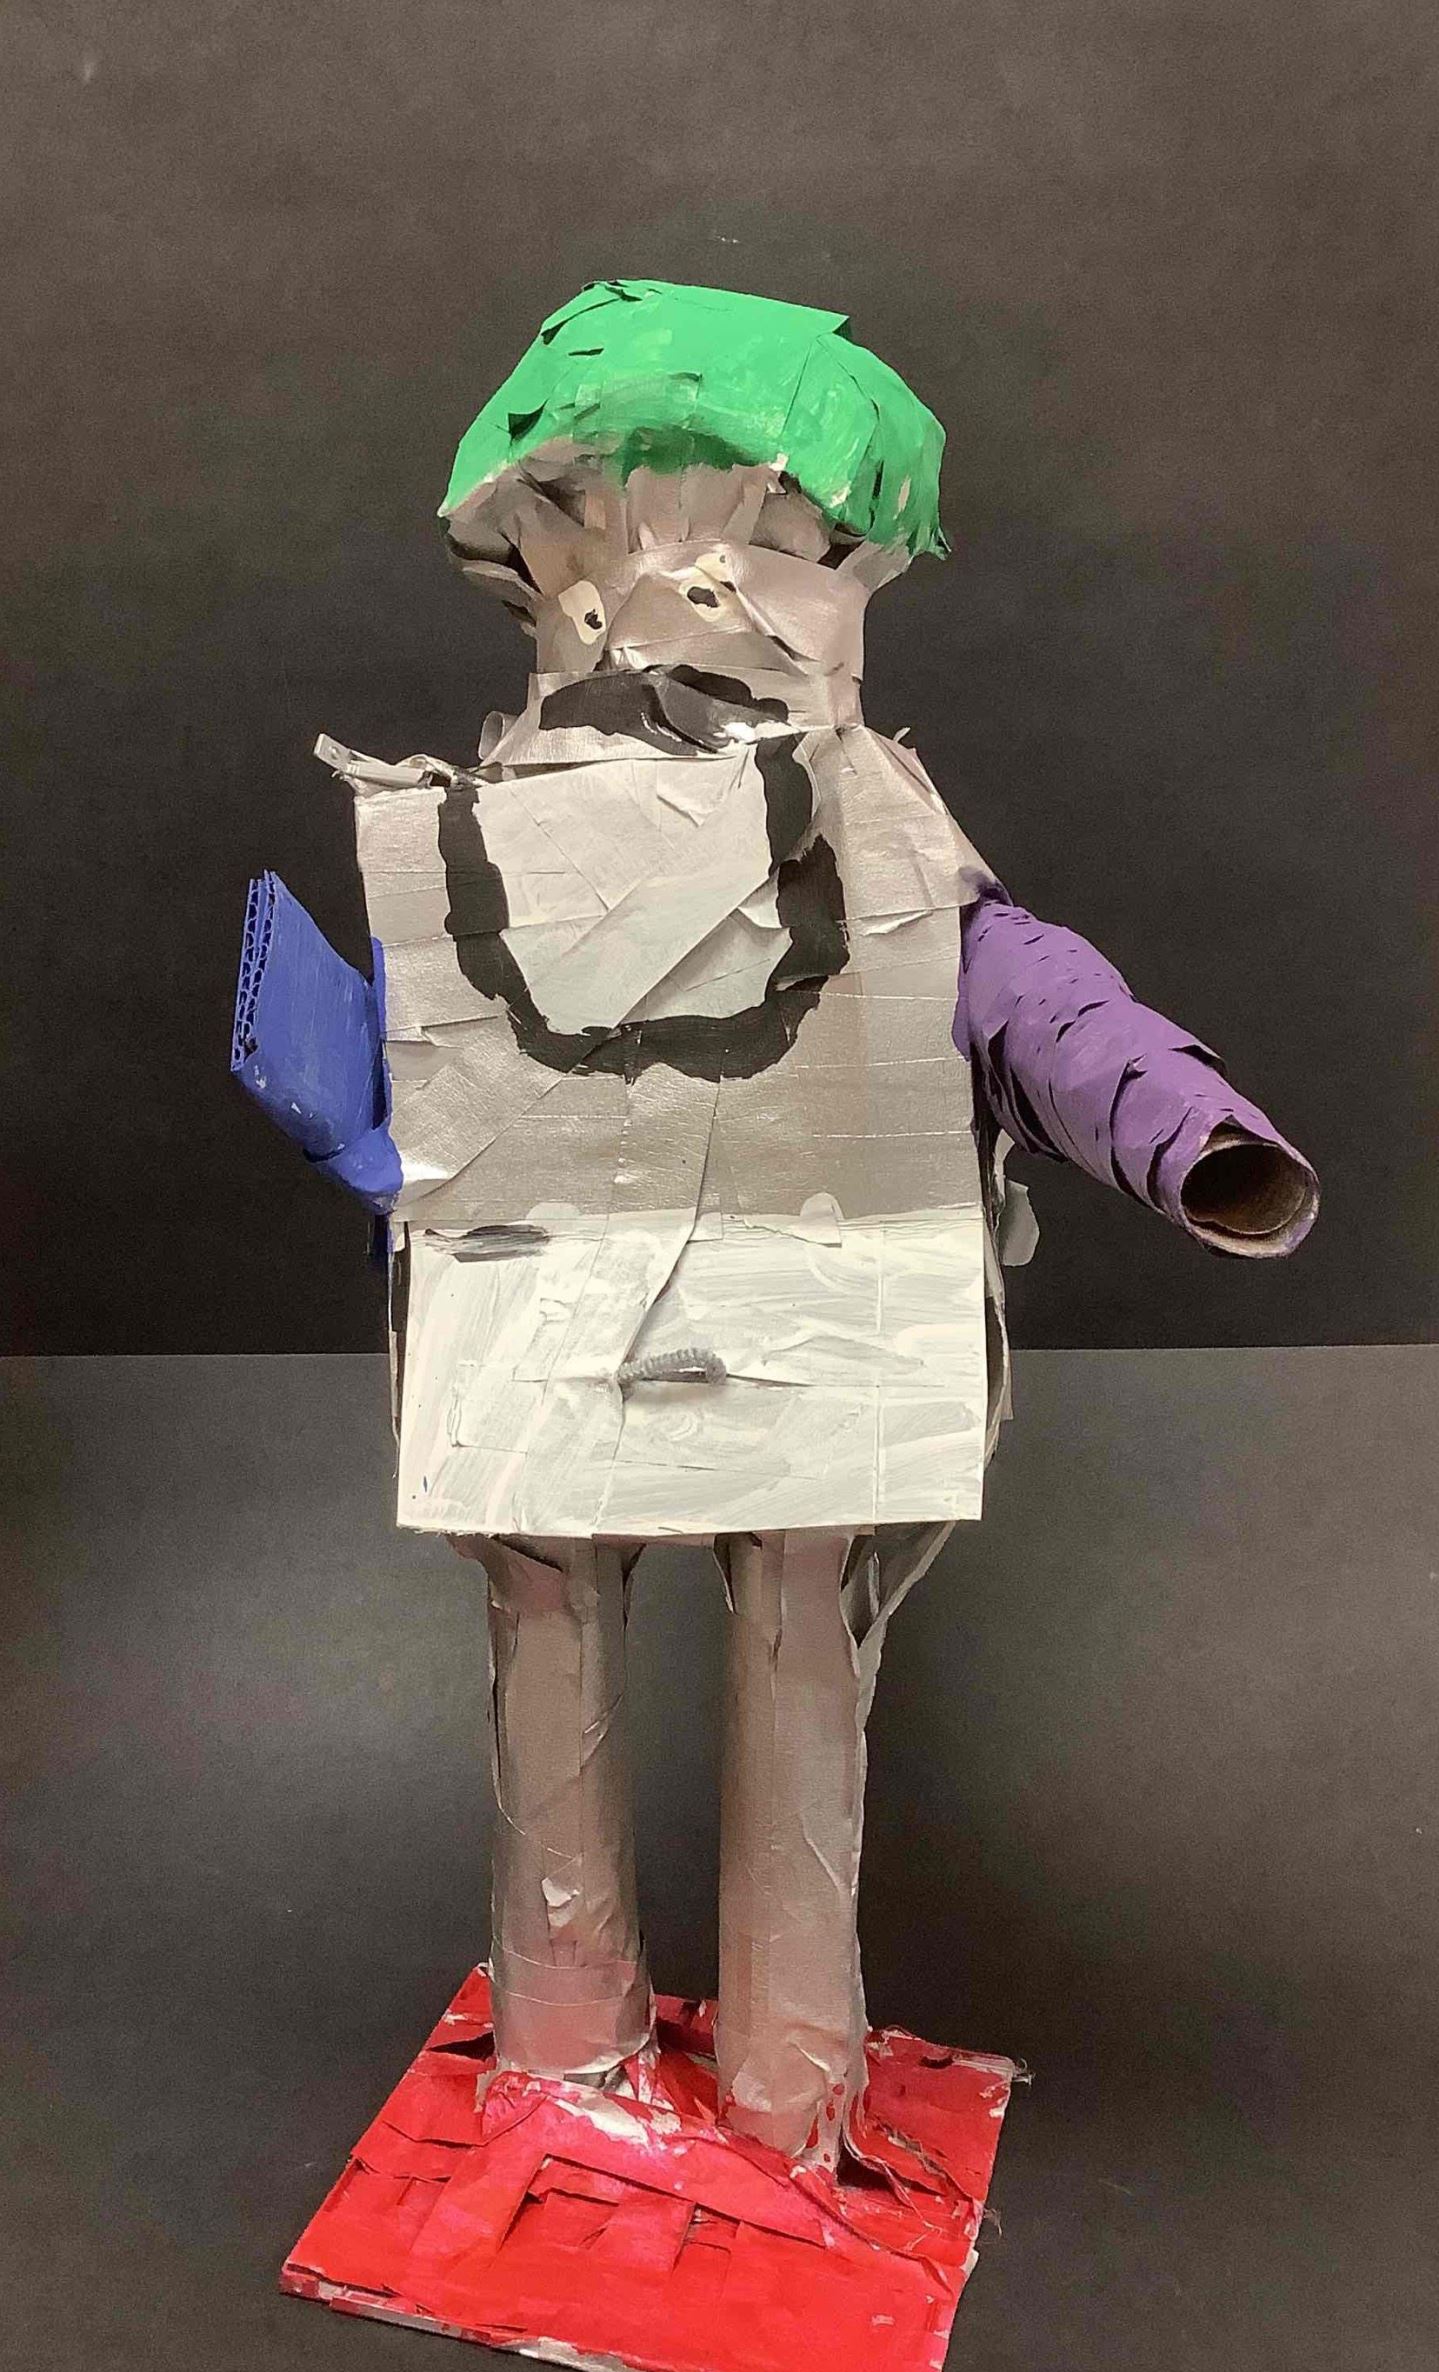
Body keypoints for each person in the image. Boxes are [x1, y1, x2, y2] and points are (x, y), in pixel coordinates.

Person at [234, 279, 1317, 2176]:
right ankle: (585, 2069)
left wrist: (1182, 1128)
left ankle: (765, 2091)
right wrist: (373, 1128)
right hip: (565, 1297)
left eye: (746, 549)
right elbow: (1012, 993)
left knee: (768, 1621)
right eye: (633, 541)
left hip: (785, 1299)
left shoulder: (868, 840)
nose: (684, 599)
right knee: (585, 1615)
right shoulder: (502, 838)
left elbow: (1022, 999)